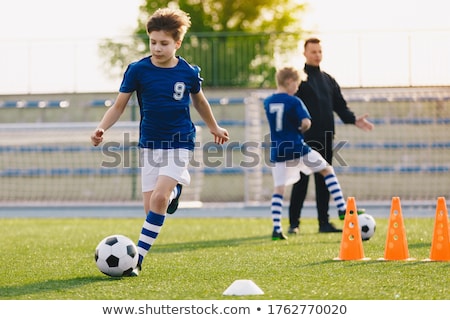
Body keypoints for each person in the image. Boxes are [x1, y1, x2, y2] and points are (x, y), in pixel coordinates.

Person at [90, 8, 229, 276]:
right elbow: (119, 106)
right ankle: (175, 192)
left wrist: (214, 127)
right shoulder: (137, 70)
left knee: (159, 198)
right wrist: (101, 128)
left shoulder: (188, 71)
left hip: (180, 141)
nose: (157, 48)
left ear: (177, 43)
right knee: (152, 207)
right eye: (153, 42)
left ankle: (137, 259)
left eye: (164, 43)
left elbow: (199, 101)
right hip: (150, 145)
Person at [288, 37, 374, 234]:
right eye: (313, 52)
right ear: (305, 54)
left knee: (324, 181)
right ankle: (294, 224)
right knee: (300, 181)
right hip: (303, 140)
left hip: (326, 138)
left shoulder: (328, 80)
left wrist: (354, 119)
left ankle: (324, 223)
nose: (317, 55)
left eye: (319, 51)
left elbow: (340, 106)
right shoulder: (298, 81)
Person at [263, 66, 349, 240]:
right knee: (326, 169)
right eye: (297, 84)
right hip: (296, 146)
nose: (297, 88)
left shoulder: (268, 101)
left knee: (279, 188)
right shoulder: (294, 101)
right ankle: (342, 208)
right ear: (289, 82)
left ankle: (276, 228)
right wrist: (300, 127)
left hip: (277, 150)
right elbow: (306, 123)